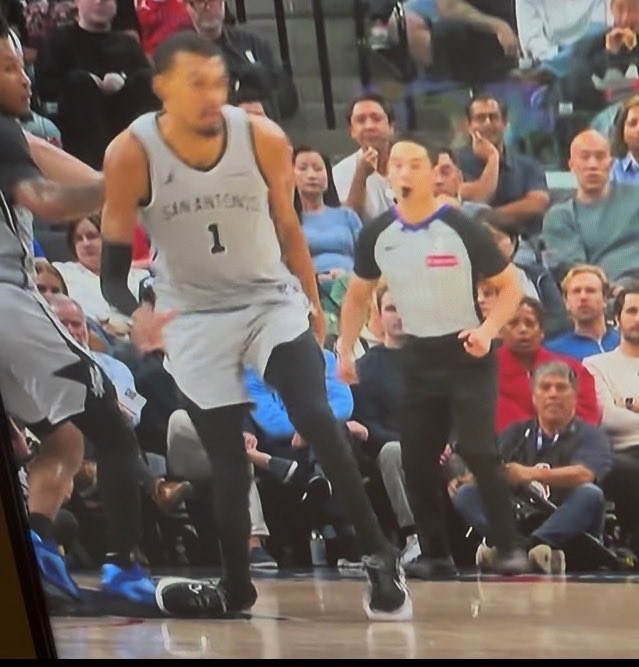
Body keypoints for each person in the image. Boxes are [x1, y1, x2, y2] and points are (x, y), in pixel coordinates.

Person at [98, 30, 411, 621]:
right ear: (162, 87)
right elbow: (113, 275)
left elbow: (290, 230)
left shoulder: (263, 137)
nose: (211, 94)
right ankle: (236, 585)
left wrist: (313, 303)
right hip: (191, 312)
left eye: (219, 82)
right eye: (195, 83)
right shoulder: (129, 153)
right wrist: (138, 313)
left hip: (268, 297)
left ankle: (378, 552)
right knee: (227, 456)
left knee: (315, 415)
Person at [0, 14, 155, 605]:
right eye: (9, 69)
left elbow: (50, 156)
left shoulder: (17, 136)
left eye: (22, 66)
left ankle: (38, 542)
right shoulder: (1, 132)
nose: (25, 79)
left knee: (63, 437)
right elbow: (46, 200)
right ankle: (123, 571)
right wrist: (118, 185)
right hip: (10, 303)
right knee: (111, 426)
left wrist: (113, 179)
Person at [336, 136, 530, 578]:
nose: (404, 172)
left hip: (466, 350)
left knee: (477, 448)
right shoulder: (377, 233)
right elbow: (357, 296)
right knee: (416, 458)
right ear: (386, 174)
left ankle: (509, 546)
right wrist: (345, 349)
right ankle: (436, 554)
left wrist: (487, 331)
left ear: (431, 173)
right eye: (397, 164)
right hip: (417, 354)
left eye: (415, 164)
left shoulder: (460, 227)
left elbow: (510, 286)